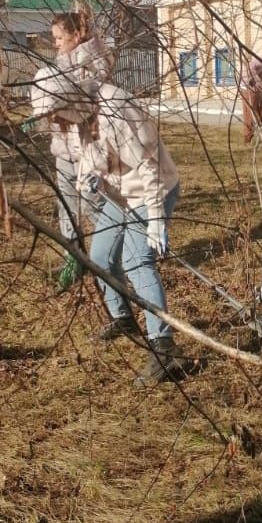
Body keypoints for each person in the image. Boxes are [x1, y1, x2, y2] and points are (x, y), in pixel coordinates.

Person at [73, 80, 187, 386]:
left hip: (152, 190)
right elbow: (84, 157)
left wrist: (156, 219)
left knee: (138, 263)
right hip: (118, 194)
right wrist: (87, 180)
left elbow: (149, 166)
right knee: (100, 257)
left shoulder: (116, 110)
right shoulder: (77, 118)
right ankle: (124, 319)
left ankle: (164, 348)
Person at [27, 8, 112, 291]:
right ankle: (73, 260)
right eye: (53, 37)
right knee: (66, 207)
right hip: (63, 152)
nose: (55, 43)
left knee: (92, 205)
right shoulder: (56, 67)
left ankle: (114, 251)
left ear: (77, 35)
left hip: (89, 153)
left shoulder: (92, 62)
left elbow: (90, 89)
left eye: (59, 37)